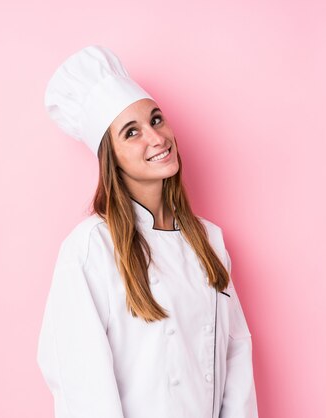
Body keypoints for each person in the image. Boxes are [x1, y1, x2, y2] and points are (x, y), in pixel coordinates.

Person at [38, 45, 258, 418]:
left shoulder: (209, 242)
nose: (156, 138)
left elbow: (236, 359)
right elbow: (82, 383)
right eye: (132, 132)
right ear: (112, 156)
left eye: (156, 120)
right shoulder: (91, 248)